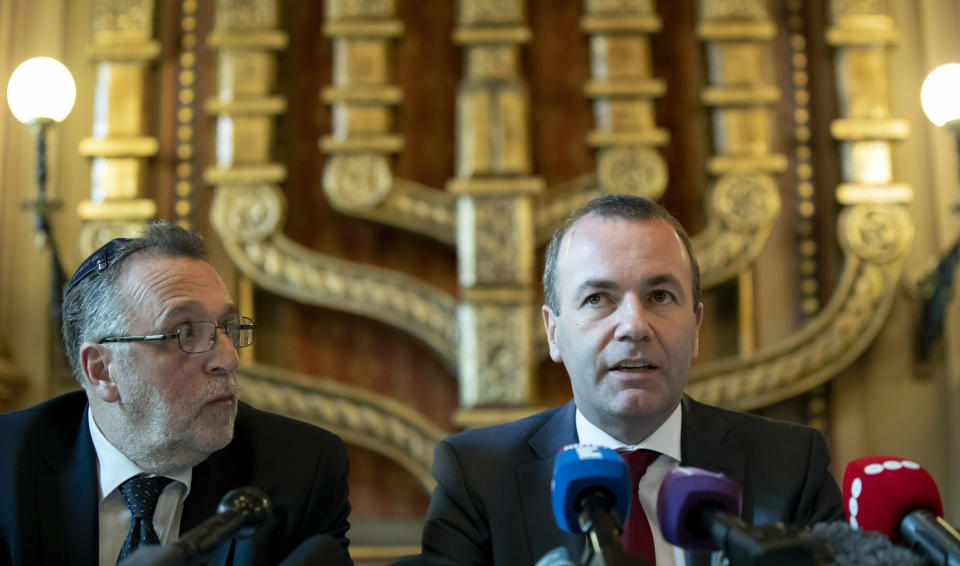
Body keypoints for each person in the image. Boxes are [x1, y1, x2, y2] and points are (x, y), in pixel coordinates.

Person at [420, 195, 843, 566]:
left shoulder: (790, 466)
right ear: (554, 332)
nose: (634, 326)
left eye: (659, 296)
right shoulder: (479, 476)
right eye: (597, 298)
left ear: (696, 326)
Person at [0, 222, 352, 566]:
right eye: (184, 332)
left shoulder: (300, 470)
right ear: (102, 370)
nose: (228, 358)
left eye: (229, 328)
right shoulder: (8, 465)